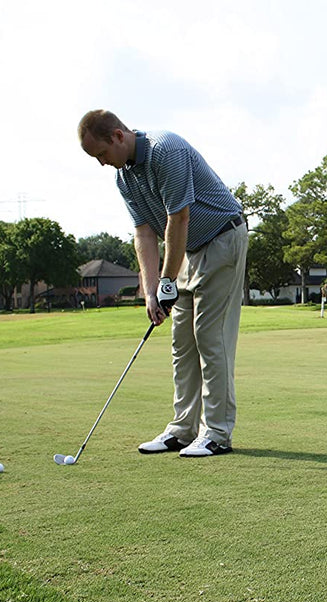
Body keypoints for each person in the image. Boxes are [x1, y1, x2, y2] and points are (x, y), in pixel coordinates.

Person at [78, 110, 248, 457]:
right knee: (181, 342)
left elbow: (178, 217)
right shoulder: (125, 178)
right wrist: (151, 290)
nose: (101, 163)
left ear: (117, 136)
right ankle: (183, 429)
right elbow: (143, 233)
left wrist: (167, 280)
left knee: (209, 337)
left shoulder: (165, 150)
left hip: (221, 238)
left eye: (101, 154)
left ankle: (216, 433)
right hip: (188, 249)